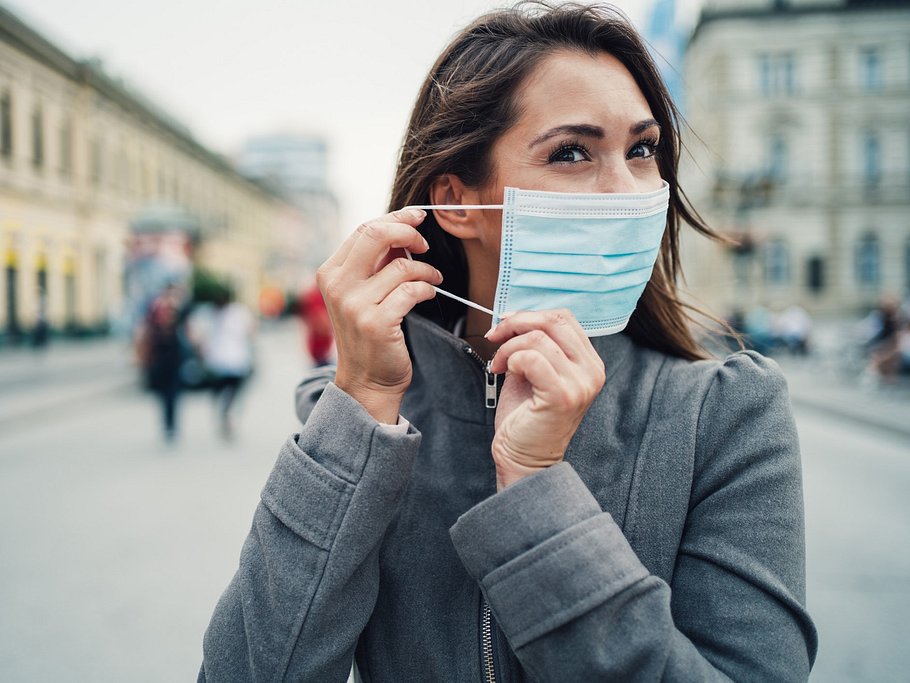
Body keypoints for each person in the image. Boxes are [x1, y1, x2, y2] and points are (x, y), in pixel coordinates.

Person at [199, 4, 817, 681]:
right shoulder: (354, 414)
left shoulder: (727, 413)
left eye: (641, 149)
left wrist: (538, 487)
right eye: (573, 153)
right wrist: (361, 404)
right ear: (458, 202)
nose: (627, 191)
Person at [198, 286, 255, 440]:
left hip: (221, 361)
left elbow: (199, 337)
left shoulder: (209, 313)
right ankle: (227, 415)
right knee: (233, 393)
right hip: (234, 361)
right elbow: (251, 332)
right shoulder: (239, 312)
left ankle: (225, 415)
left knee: (223, 393)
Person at [138, 282, 188, 442]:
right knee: (167, 392)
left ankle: (169, 425)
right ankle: (169, 424)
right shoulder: (164, 307)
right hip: (163, 355)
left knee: (170, 393)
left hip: (169, 355)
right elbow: (145, 332)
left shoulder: (159, 307)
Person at [298, 282, 335, 366]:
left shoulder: (317, 294)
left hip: (324, 351)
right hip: (319, 352)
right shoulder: (314, 295)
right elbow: (320, 322)